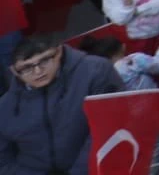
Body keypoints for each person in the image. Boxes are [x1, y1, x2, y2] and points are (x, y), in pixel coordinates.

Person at [0, 36, 123, 173]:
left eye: (45, 60)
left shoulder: (95, 71)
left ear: (58, 52)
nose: (38, 71)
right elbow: (3, 160)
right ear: (14, 71)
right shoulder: (5, 106)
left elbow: (109, 129)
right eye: (27, 68)